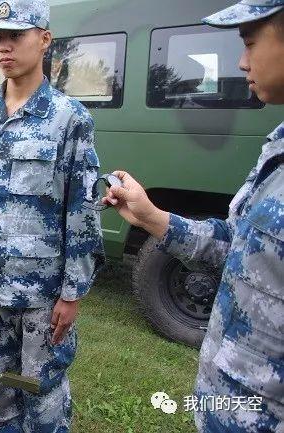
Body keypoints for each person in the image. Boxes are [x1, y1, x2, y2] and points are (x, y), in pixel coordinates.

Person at [103, 2, 284, 431]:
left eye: (250, 42)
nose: (241, 62)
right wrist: (151, 218)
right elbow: (237, 245)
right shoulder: (277, 147)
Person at [0, 0, 105, 430]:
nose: (4, 47)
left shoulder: (69, 119)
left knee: (42, 397)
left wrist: (72, 293)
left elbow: (81, 210)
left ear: (43, 40)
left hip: (41, 293)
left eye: (15, 36)